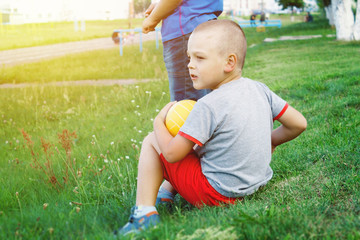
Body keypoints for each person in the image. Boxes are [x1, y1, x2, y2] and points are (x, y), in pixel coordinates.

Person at [114, 19, 307, 236]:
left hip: (216, 194)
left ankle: (144, 215)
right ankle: (166, 194)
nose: (190, 65)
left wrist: (158, 122)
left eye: (200, 58)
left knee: (152, 140)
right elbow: (299, 123)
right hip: (254, 183)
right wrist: (270, 140)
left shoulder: (207, 106)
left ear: (229, 63)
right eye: (189, 58)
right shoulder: (259, 89)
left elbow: (171, 154)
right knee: (196, 146)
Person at [142, 0, 223, 101]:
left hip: (185, 29)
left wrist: (152, 19)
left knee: (184, 106)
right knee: (207, 101)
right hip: (206, 24)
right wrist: (160, 6)